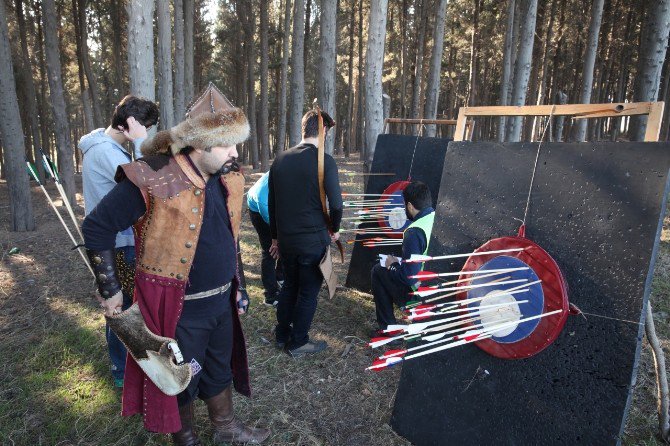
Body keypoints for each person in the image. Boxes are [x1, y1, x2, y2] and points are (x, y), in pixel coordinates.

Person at [82, 105, 270, 445]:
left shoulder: (227, 175)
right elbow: (96, 227)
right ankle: (186, 440)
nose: (236, 152)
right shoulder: (154, 175)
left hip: (220, 302)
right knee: (178, 378)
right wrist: (110, 290)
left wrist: (238, 284)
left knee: (219, 368)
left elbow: (231, 235)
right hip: (179, 309)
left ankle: (225, 428)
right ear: (200, 144)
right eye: (227, 144)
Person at [78, 95, 159, 388]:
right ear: (129, 125)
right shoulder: (106, 153)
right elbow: (145, 182)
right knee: (121, 307)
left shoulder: (106, 146)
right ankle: (121, 371)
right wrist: (140, 143)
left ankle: (126, 367)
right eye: (144, 127)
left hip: (122, 238)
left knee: (125, 304)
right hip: (117, 241)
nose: (146, 133)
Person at [268, 109, 343, 357]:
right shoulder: (325, 161)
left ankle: (281, 335)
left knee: (290, 286)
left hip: (288, 241)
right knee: (308, 292)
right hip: (312, 241)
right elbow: (337, 204)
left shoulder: (280, 159)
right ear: (323, 131)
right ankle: (298, 342)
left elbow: (272, 204)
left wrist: (276, 238)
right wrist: (335, 229)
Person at [370, 181, 435, 333]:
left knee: (378, 270)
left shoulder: (414, 231)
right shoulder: (435, 219)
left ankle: (389, 330)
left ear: (410, 206)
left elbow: (409, 278)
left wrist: (392, 265)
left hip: (419, 296)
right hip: (434, 290)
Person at [247, 172, 284, 307]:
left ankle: (280, 276)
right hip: (258, 211)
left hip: (278, 206)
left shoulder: (290, 173)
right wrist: (276, 241)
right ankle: (270, 295)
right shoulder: (263, 197)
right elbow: (273, 226)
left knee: (286, 245)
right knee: (270, 251)